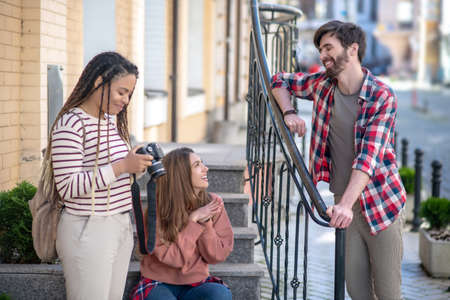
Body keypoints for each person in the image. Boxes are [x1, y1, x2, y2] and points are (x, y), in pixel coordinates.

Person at [271, 21, 406, 300]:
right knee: (356, 291)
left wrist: (344, 205)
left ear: (352, 49)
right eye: (321, 49)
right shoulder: (322, 85)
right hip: (344, 207)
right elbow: (279, 80)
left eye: (329, 47)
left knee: (388, 293)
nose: (322, 55)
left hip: (381, 204)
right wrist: (288, 112)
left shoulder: (381, 96)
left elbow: (369, 157)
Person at [48, 51, 153, 299]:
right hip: (88, 227)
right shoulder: (71, 123)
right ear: (98, 83)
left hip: (118, 224)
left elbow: (110, 171)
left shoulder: (108, 121)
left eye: (129, 93)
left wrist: (134, 163)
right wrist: (121, 167)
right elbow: (67, 186)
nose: (126, 100)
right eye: (121, 92)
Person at [131, 147, 233, 300]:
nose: (206, 168)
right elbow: (173, 258)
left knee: (220, 294)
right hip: (158, 282)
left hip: (196, 283)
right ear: (181, 174)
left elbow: (216, 256)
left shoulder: (213, 204)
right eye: (197, 165)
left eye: (202, 163)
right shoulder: (159, 209)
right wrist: (193, 220)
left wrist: (206, 223)